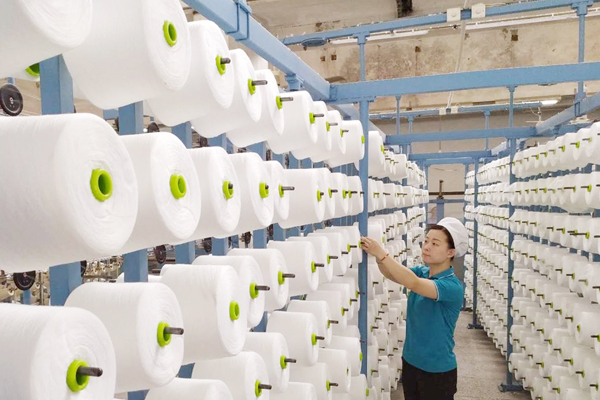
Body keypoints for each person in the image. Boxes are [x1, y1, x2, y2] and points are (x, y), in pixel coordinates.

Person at [361, 217, 468, 400]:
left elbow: (413, 283)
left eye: (435, 244)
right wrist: (378, 257)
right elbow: (392, 274)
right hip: (411, 362)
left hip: (437, 370)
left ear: (450, 252)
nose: (426, 247)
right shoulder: (423, 271)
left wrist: (382, 254)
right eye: (426, 241)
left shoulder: (451, 286)